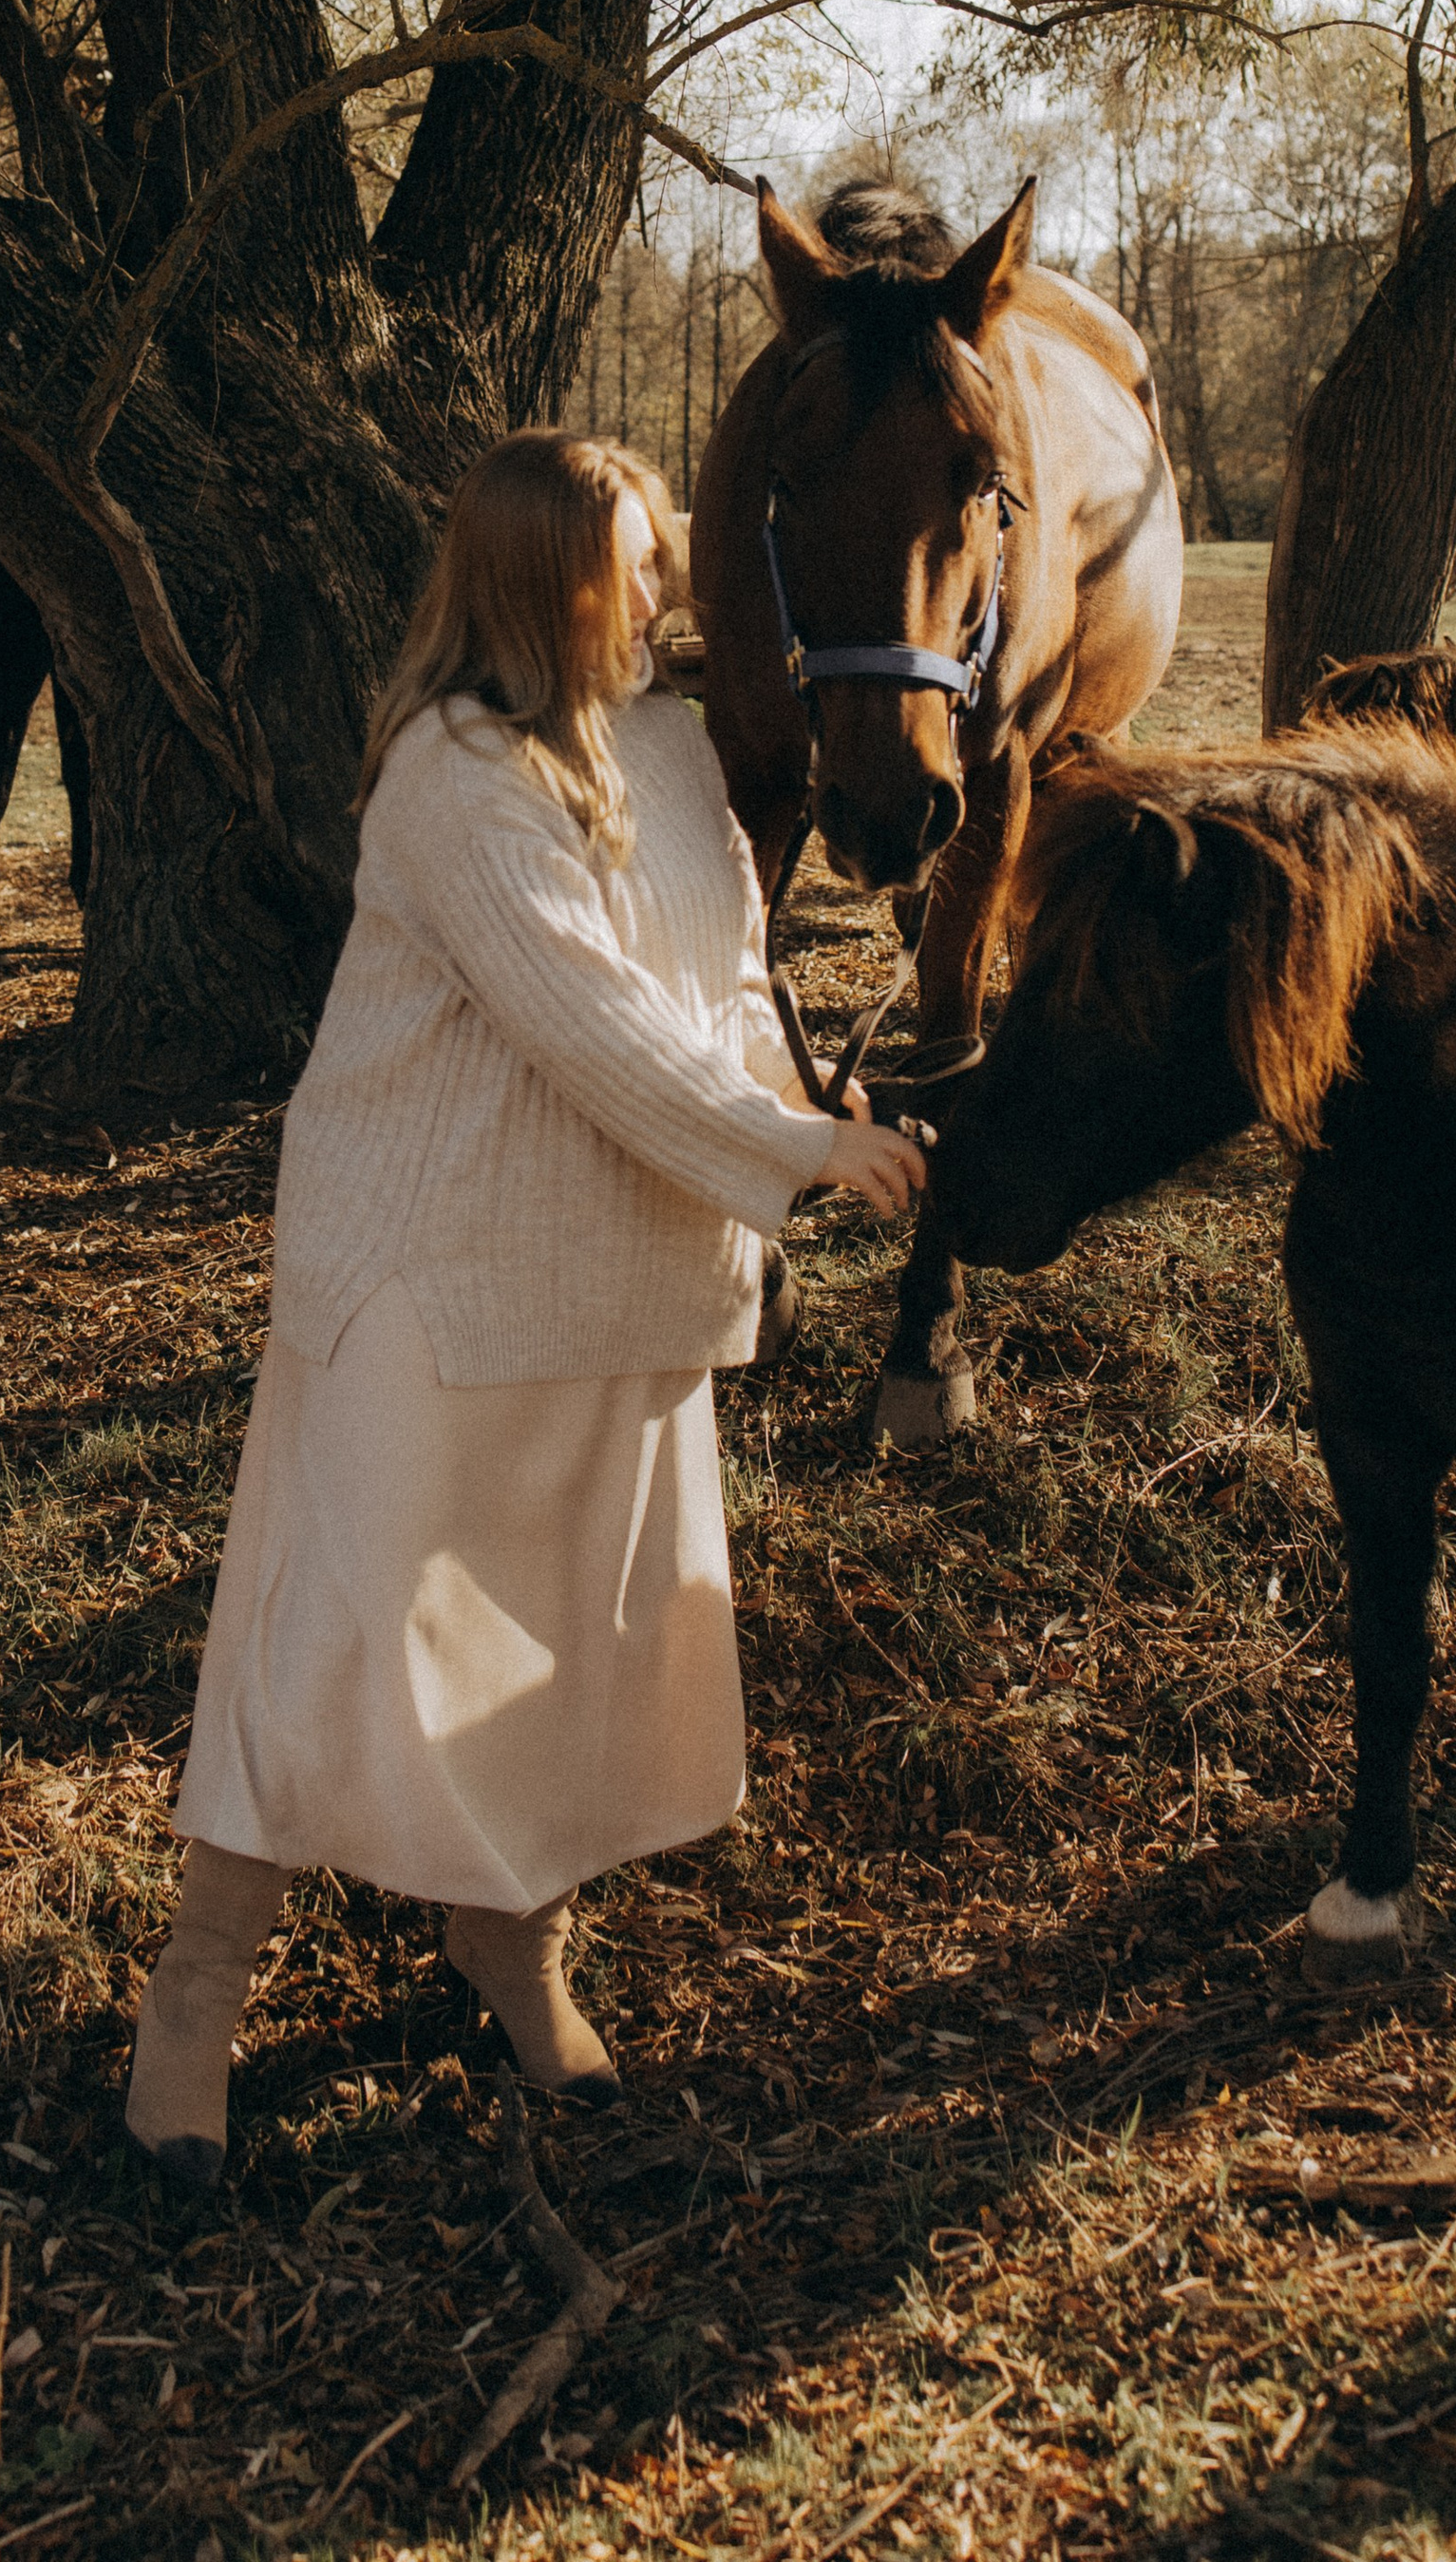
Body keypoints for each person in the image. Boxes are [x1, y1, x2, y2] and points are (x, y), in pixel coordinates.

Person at [123, 428, 925, 2187]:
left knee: (571, 1642)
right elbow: (583, 1018)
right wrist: (784, 1147)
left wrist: (814, 1102)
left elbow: (711, 981)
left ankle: (510, 1942)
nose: (663, 591)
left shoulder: (666, 740)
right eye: (634, 564)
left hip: (623, 1257)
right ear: (536, 579)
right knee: (329, 1632)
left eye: (662, 559)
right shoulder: (449, 768)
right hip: (427, 1267)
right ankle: (198, 1995)